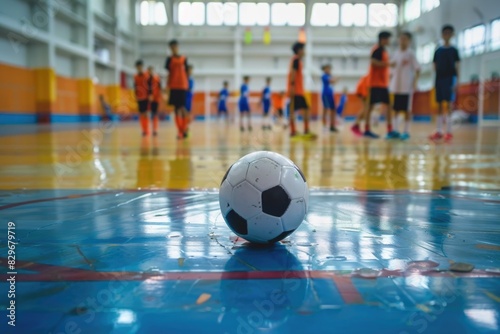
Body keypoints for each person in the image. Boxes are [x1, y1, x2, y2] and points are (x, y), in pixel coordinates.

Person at [430, 25, 460, 141]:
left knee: (449, 104)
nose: (447, 35)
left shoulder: (454, 50)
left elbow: (457, 66)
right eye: (445, 33)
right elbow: (434, 65)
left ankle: (449, 131)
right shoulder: (438, 50)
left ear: (452, 35)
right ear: (442, 34)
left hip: (450, 79)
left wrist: (457, 81)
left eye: (449, 33)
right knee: (438, 104)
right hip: (439, 79)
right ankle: (438, 130)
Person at [389, 32, 420, 141]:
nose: (402, 41)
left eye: (405, 39)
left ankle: (406, 132)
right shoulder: (395, 54)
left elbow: (418, 69)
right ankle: (395, 131)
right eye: (401, 38)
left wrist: (415, 82)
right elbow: (391, 70)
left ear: (409, 41)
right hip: (396, 86)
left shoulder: (411, 54)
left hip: (407, 87)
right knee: (396, 109)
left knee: (407, 110)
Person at [365, 31, 393, 139]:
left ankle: (390, 130)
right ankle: (367, 129)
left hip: (383, 83)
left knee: (388, 105)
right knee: (371, 106)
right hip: (376, 83)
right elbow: (373, 62)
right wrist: (387, 64)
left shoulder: (384, 51)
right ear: (383, 39)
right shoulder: (377, 50)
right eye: (387, 39)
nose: (389, 41)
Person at [287, 42, 315, 138]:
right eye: (303, 49)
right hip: (296, 91)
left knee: (300, 110)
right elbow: (293, 74)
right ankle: (295, 131)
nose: (304, 51)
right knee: (299, 110)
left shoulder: (297, 60)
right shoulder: (295, 60)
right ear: (299, 50)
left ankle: (295, 131)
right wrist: (292, 88)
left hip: (298, 90)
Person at [165, 39, 189, 139]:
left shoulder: (184, 59)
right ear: (170, 48)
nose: (174, 48)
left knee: (182, 108)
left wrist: (188, 85)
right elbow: (169, 73)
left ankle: (184, 128)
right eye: (172, 47)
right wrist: (167, 87)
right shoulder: (169, 59)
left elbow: (187, 72)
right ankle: (180, 131)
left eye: (175, 46)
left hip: (183, 86)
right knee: (176, 109)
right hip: (174, 86)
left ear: (177, 47)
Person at [134, 59, 151, 136]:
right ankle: (143, 130)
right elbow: (135, 87)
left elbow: (150, 86)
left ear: (142, 66)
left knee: (146, 113)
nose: (139, 68)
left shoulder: (146, 76)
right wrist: (136, 95)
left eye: (140, 66)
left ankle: (147, 129)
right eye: (138, 67)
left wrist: (150, 95)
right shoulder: (136, 77)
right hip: (139, 97)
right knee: (141, 114)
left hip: (146, 97)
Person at [321, 64, 338, 132]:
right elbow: (332, 81)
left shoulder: (330, 76)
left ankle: (332, 126)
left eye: (329, 68)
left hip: (331, 95)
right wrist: (335, 78)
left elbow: (334, 83)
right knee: (325, 110)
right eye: (326, 68)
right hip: (325, 94)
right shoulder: (324, 76)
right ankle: (324, 126)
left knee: (333, 110)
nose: (328, 70)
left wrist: (334, 78)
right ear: (324, 69)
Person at [147, 66, 162, 136]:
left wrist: (155, 96)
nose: (150, 72)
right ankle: (152, 129)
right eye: (149, 70)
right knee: (151, 114)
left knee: (154, 113)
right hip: (149, 99)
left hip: (155, 99)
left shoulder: (156, 78)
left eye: (151, 70)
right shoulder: (147, 79)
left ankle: (155, 129)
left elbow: (159, 88)